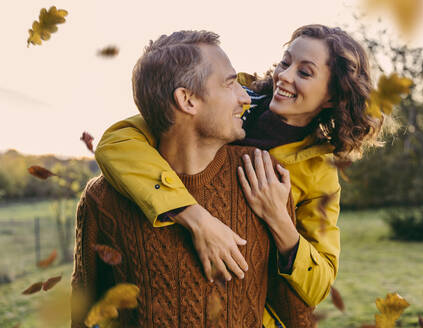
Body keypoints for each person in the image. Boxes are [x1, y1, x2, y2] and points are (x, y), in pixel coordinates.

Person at [95, 24, 382, 327]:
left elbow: (319, 283)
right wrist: (194, 216)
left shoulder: (318, 173)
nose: (284, 76)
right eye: (286, 62)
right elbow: (117, 142)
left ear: (332, 96)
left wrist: (279, 220)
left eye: (305, 72)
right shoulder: (232, 98)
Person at [71, 30, 314, 328]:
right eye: (229, 84)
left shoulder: (262, 177)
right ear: (187, 100)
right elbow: (86, 315)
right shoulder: (104, 198)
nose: (244, 97)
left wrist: (283, 227)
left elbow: (295, 316)